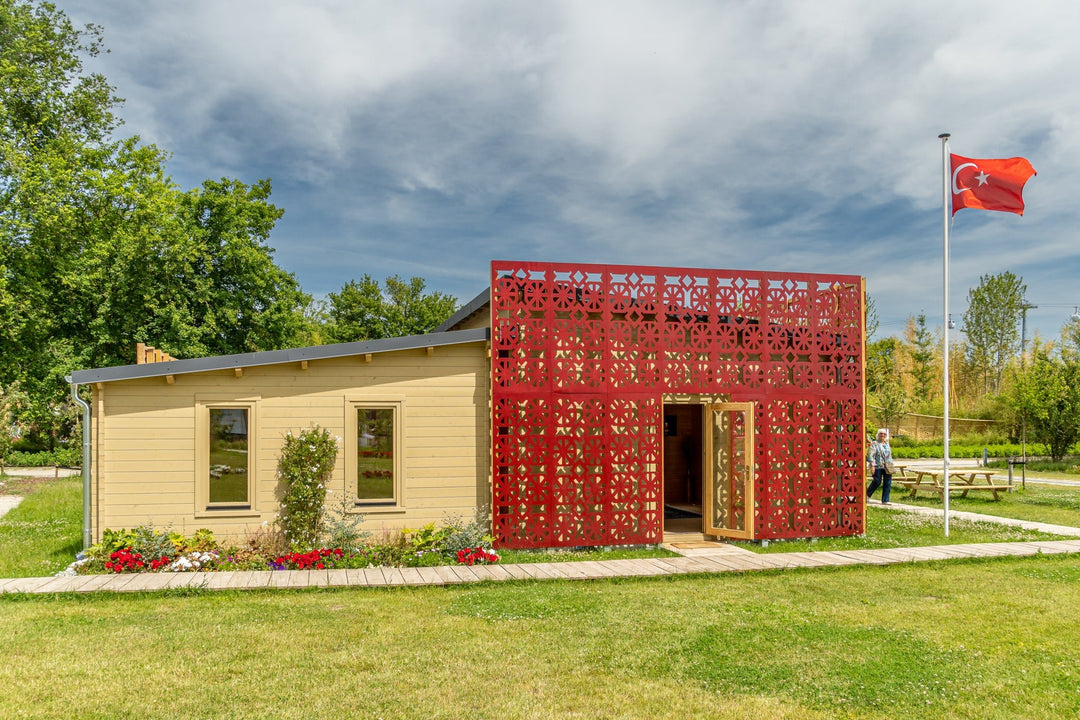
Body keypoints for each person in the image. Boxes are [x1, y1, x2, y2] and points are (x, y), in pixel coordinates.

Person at [866, 428, 893, 504]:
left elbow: (889, 455)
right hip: (878, 465)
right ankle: (867, 495)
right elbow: (871, 455)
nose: (882, 435)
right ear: (878, 435)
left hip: (887, 465)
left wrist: (891, 464)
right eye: (881, 433)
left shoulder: (887, 444)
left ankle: (885, 500)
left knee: (888, 482)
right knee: (877, 481)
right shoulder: (875, 443)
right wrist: (872, 465)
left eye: (884, 434)